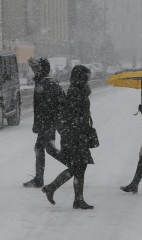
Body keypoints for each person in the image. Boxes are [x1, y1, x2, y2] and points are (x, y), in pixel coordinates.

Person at [42, 65, 95, 209]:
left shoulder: (79, 91)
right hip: (74, 136)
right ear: (81, 77)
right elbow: (73, 115)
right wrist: (79, 129)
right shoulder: (75, 92)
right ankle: (72, 197)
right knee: (78, 166)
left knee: (78, 166)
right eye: (87, 75)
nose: (89, 78)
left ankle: (60, 191)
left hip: (77, 135)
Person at [23, 57, 66, 188]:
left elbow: (58, 104)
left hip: (48, 123)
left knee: (42, 148)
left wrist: (51, 122)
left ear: (42, 69)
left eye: (35, 68)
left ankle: (39, 179)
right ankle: (74, 166)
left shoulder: (47, 83)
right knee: (48, 149)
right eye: (32, 68)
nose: (33, 71)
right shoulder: (42, 82)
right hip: (45, 123)